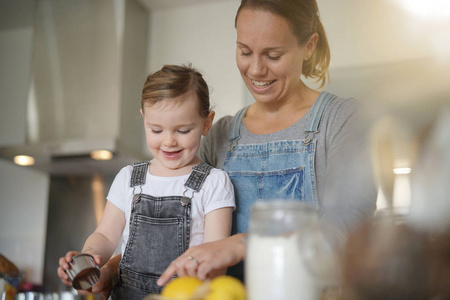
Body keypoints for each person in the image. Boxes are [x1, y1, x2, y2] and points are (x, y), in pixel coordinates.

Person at [85, 0, 378, 295]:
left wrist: (240, 244)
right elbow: (171, 244)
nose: (256, 69)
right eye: (244, 51)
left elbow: (351, 226)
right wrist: (110, 272)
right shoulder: (221, 135)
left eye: (273, 55)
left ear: (309, 46)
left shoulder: (342, 120)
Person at [56, 64, 235, 299]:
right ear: (144, 118)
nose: (169, 141)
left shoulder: (215, 183)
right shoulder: (129, 178)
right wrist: (88, 258)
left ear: (206, 123)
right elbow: (106, 236)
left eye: (182, 130)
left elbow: (216, 257)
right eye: (156, 130)